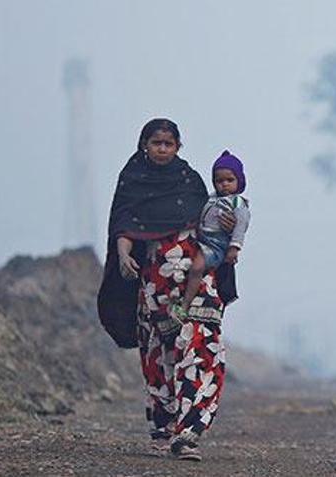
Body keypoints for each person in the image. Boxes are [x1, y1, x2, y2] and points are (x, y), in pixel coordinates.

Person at [97, 118, 238, 461]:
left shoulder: (190, 181)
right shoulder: (132, 181)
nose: (162, 149)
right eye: (156, 142)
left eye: (169, 143)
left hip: (198, 281)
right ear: (144, 144)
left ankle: (189, 432)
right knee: (160, 357)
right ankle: (163, 429)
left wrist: (229, 229)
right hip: (155, 286)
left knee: (203, 349)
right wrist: (123, 253)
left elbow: (210, 226)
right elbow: (124, 225)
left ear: (178, 147)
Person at [173, 150, 250, 320]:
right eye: (219, 180)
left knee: (197, 267)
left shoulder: (238, 204)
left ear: (239, 181)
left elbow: (240, 227)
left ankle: (184, 305)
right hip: (201, 238)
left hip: (216, 245)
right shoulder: (210, 199)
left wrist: (234, 248)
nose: (224, 184)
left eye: (230, 180)